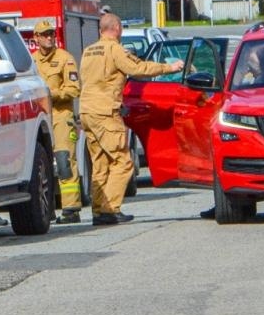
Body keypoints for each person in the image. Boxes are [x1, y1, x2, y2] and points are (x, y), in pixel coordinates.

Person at [79, 12, 182, 226]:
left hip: (87, 112)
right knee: (123, 162)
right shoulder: (115, 49)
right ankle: (110, 208)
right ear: (117, 29)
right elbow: (138, 69)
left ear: (101, 30)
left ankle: (98, 210)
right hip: (106, 113)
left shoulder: (88, 51)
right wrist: (169, 68)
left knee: (100, 164)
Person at [32, 19, 83, 224]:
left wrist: (50, 94)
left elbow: (73, 89)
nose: (49, 37)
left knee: (64, 162)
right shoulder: (31, 61)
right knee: (41, 166)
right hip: (40, 119)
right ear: (36, 38)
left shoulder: (65, 59)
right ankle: (47, 208)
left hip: (61, 116)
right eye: (44, 34)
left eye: (51, 34)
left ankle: (71, 209)